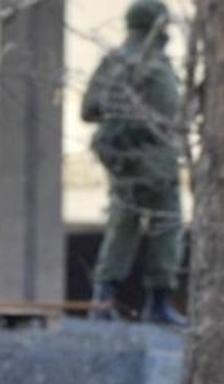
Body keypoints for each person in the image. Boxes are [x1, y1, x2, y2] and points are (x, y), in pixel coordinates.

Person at [81, 0, 186, 326]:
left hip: (138, 160)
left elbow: (89, 109)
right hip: (145, 158)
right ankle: (147, 302)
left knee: (127, 227)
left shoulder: (118, 61)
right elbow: (90, 111)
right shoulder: (141, 63)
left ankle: (110, 300)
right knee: (163, 228)